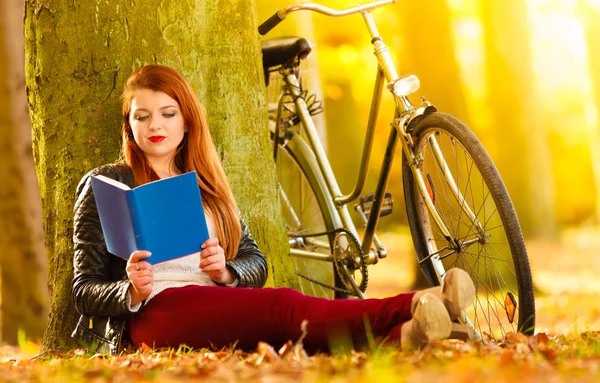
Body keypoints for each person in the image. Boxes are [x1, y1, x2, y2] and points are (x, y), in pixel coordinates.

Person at [71, 64, 475, 355]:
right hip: (156, 311)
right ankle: (420, 301)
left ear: (187, 122)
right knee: (282, 305)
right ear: (129, 125)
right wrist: (130, 289)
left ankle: (408, 335)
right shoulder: (107, 182)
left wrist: (225, 270)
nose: (154, 124)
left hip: (214, 299)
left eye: (167, 113)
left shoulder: (206, 181)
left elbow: (254, 260)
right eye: (141, 116)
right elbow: (83, 289)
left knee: (288, 338)